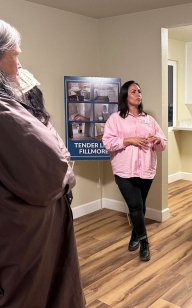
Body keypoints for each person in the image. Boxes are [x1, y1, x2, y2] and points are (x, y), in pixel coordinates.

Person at [0, 20, 85, 307]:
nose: (19, 65)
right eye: (15, 55)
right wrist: (66, 175)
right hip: (24, 229)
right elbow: (53, 169)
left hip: (20, 224)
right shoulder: (5, 112)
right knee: (33, 291)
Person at [102, 80, 166, 262]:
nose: (138, 94)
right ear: (125, 96)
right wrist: (129, 140)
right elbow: (107, 142)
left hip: (146, 169)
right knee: (135, 205)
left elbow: (163, 143)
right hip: (124, 170)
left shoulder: (149, 119)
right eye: (133, 91)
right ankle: (145, 242)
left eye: (139, 91)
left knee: (141, 205)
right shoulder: (116, 119)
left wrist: (157, 140)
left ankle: (135, 234)